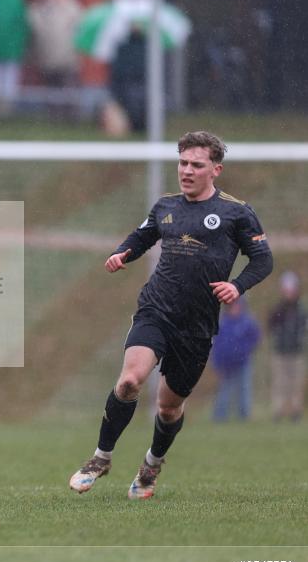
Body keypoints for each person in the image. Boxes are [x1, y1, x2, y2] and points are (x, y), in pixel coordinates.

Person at [69, 131, 273, 499]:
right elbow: (142, 236)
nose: (187, 170)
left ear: (216, 169)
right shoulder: (166, 206)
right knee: (130, 381)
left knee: (168, 407)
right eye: (182, 163)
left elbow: (263, 260)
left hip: (196, 325)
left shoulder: (236, 212)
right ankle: (101, 457)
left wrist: (237, 286)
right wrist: (122, 254)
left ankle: (151, 464)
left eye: (196, 164)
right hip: (156, 309)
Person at [211, 297, 261, 422]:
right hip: (226, 365)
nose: (235, 308)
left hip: (243, 363)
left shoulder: (246, 322)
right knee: (225, 391)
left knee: (244, 390)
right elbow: (217, 346)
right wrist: (217, 364)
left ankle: (243, 416)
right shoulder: (223, 324)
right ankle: (220, 416)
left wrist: (245, 351)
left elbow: (255, 338)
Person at [267, 271, 306, 422]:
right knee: (279, 383)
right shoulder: (278, 309)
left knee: (296, 384)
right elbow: (271, 326)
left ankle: (296, 411)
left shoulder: (301, 310)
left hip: (296, 352)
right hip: (280, 352)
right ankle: (279, 411)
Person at [27, 0, 82, 89]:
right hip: (46, 62)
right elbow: (33, 31)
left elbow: (79, 29)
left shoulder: (70, 6)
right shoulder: (36, 10)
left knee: (67, 98)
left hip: (67, 62)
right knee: (49, 97)